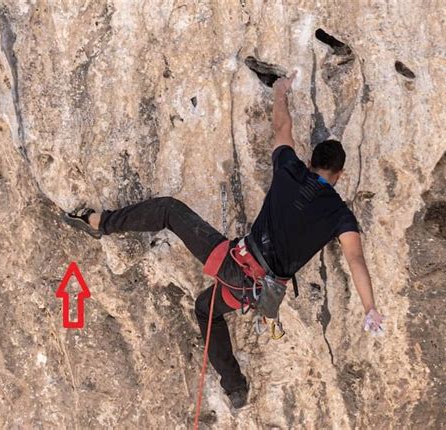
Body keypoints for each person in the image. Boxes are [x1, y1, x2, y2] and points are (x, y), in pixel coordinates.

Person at [64, 72, 384, 409]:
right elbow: (355, 260)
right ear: (340, 176)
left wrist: (279, 91)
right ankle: (235, 390)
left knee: (170, 212)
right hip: (261, 290)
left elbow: (282, 128)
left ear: (310, 162)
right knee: (206, 310)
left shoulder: (291, 169)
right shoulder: (340, 215)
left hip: (237, 265)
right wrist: (370, 308)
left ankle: (101, 223)